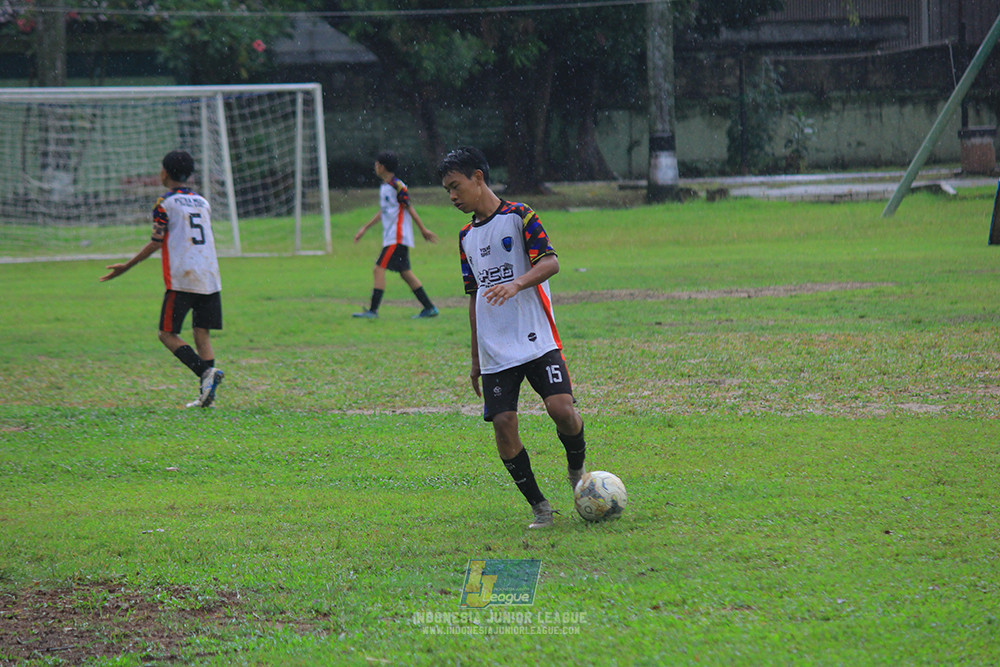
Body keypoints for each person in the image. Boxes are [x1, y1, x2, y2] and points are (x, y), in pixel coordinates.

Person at [437, 146, 587, 529]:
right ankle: (539, 506)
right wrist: (474, 359)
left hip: (537, 339)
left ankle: (577, 469)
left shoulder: (520, 217)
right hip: (494, 350)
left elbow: (550, 262)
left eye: (456, 186)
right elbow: (473, 298)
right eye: (447, 191)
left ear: (478, 178)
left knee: (562, 411)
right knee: (504, 424)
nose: (452, 196)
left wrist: (517, 283)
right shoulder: (466, 237)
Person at [100, 150, 224, 408]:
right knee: (202, 333)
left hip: (183, 278)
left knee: (166, 334)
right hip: (210, 276)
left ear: (164, 173)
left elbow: (156, 242)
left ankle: (205, 373)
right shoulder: (202, 202)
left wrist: (127, 266)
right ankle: (206, 397)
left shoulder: (164, 204)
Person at [353, 151, 439, 319]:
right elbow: (384, 212)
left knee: (378, 269)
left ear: (382, 166)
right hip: (391, 237)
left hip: (397, 236)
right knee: (405, 273)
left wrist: (423, 230)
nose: (375, 167)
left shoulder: (398, 186)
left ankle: (373, 311)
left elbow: (409, 207)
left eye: (376, 164)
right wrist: (365, 228)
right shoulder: (385, 187)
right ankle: (430, 308)